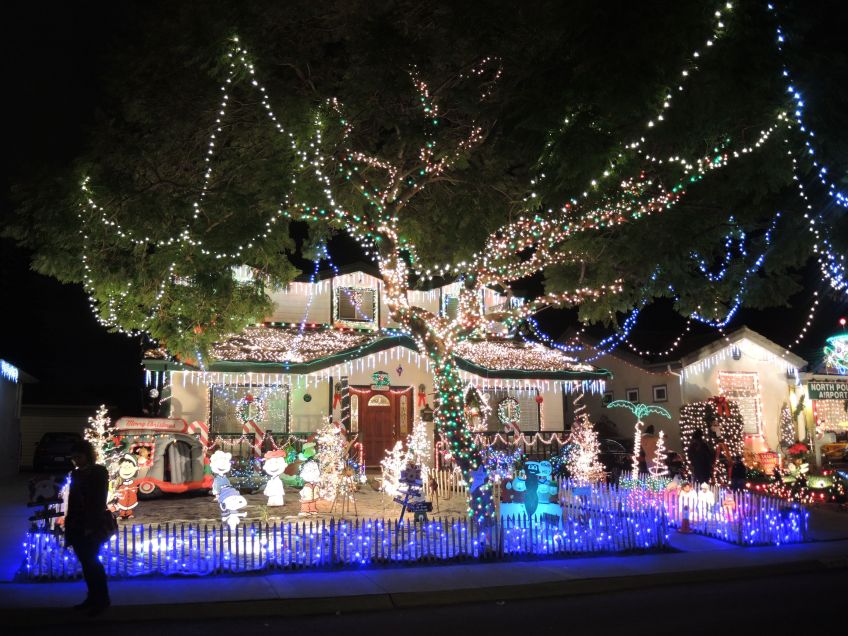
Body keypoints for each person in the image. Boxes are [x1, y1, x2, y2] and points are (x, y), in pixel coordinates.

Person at [64, 440, 112, 616]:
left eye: (79, 457)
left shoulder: (97, 472)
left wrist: (91, 526)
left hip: (91, 525)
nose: (76, 461)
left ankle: (101, 599)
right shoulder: (76, 474)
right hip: (76, 524)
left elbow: (98, 501)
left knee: (93, 563)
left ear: (87, 455)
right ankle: (92, 597)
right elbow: (73, 501)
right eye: (73, 458)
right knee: (87, 563)